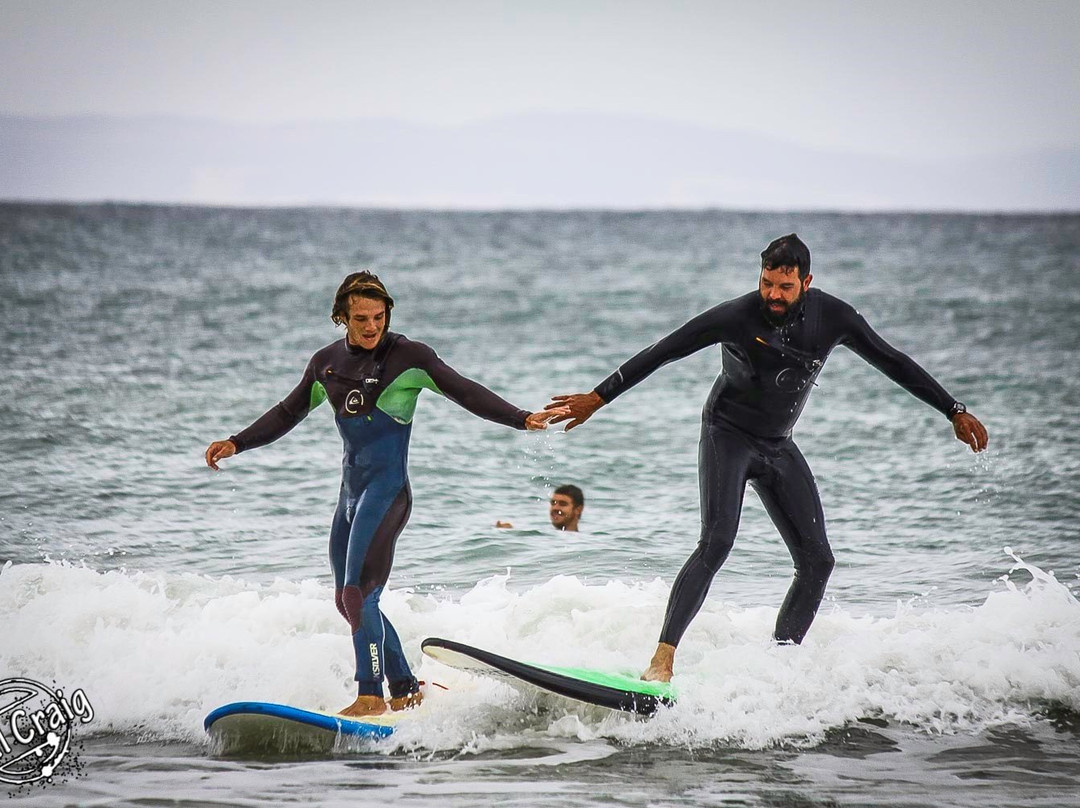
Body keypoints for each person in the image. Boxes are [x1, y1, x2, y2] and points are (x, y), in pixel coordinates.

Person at [546, 234, 988, 683]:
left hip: (778, 444)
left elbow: (893, 360)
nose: (773, 295)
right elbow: (665, 350)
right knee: (717, 541)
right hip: (727, 436)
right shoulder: (737, 316)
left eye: (785, 287)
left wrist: (952, 409)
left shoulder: (833, 317)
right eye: (767, 283)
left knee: (818, 562)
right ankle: (662, 660)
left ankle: (780, 666)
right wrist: (598, 397)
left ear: (806, 283)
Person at [205, 272, 564, 716]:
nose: (372, 326)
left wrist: (520, 417)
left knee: (359, 594)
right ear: (342, 317)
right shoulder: (325, 364)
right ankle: (405, 688)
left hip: (387, 493)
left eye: (379, 316)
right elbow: (287, 412)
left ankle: (370, 696)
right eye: (361, 319)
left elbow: (464, 390)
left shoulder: (409, 357)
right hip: (349, 498)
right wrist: (237, 442)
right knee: (347, 600)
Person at [494, 484, 585, 531]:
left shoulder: (583, 544)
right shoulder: (547, 537)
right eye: (553, 503)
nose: (555, 508)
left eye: (562, 504)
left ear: (578, 510)